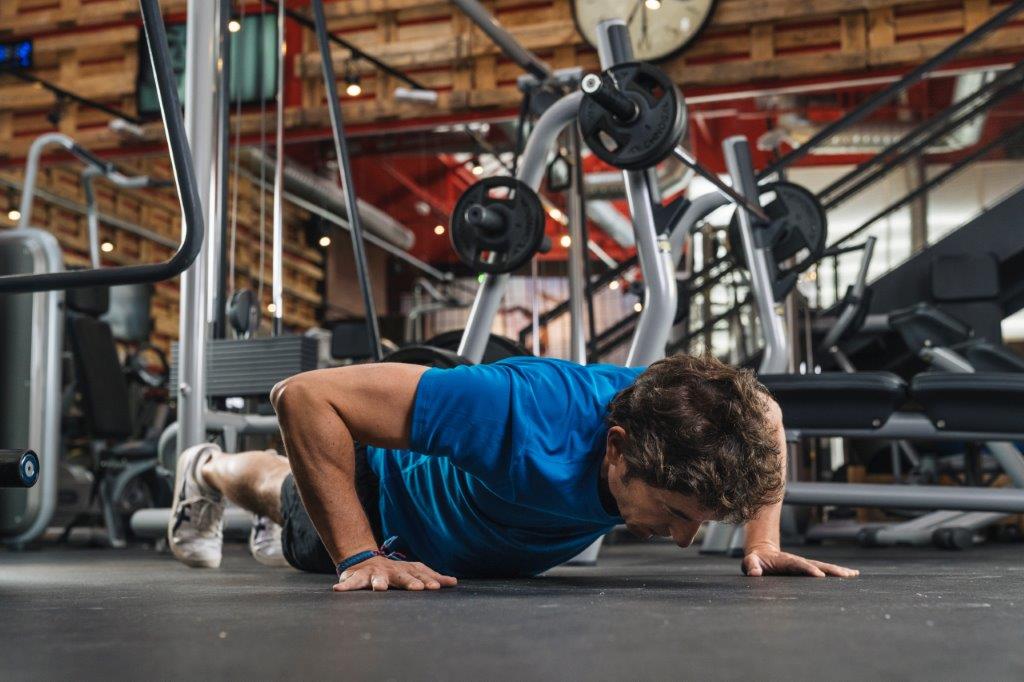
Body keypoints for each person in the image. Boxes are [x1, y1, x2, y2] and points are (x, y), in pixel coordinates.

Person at [168, 354, 858, 590]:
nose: (681, 541)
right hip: (390, 508)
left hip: (482, 540)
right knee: (276, 494)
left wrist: (760, 541)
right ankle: (206, 469)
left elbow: (762, 409)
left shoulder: (689, 412)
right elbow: (303, 395)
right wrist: (359, 553)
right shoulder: (518, 413)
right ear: (614, 448)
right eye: (675, 515)